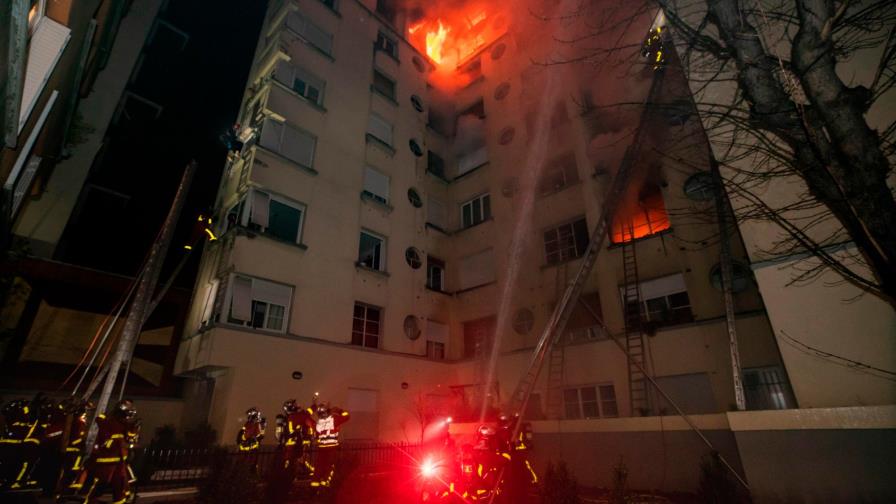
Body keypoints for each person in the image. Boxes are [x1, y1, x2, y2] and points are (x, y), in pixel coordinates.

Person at [77, 399, 140, 504]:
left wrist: (135, 430)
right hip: (106, 460)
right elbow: (119, 439)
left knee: (119, 485)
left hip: (118, 461)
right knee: (102, 483)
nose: (129, 417)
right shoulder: (111, 423)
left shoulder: (120, 424)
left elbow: (129, 438)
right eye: (128, 414)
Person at [0, 396, 46, 490]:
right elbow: (25, 424)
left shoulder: (12, 417)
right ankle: (13, 482)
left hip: (11, 445)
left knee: (10, 465)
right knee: (15, 465)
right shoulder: (17, 417)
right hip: (14, 446)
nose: (27, 409)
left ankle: (8, 481)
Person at [310, 402, 349, 489]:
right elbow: (347, 416)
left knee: (319, 467)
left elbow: (316, 435)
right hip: (332, 448)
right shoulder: (334, 419)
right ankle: (325, 485)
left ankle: (315, 486)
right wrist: (339, 410)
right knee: (330, 466)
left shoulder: (318, 423)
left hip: (321, 449)